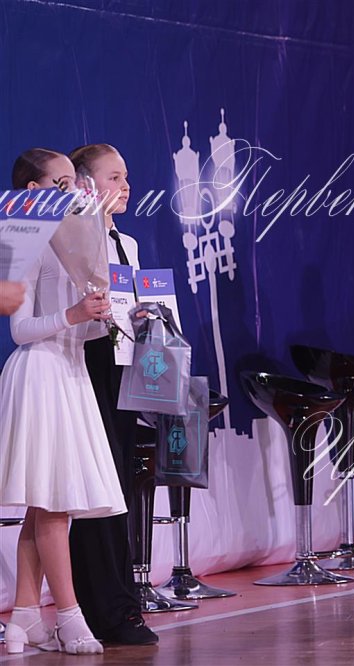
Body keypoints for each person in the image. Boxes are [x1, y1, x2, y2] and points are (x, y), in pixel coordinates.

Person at [0, 149, 123, 655]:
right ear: (33, 191)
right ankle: (70, 616)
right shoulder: (21, 242)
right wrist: (72, 315)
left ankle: (24, 617)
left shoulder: (75, 240)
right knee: (54, 505)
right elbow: (20, 329)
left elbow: (78, 328)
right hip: (40, 375)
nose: (73, 191)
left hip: (71, 375)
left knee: (43, 507)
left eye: (76, 183)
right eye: (61, 183)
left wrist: (99, 316)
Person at [66, 143, 157, 644]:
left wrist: (144, 316)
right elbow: (70, 316)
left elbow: (128, 304)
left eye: (126, 177)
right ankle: (101, 607)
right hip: (84, 367)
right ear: (85, 184)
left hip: (123, 366)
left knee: (118, 484)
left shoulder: (128, 243)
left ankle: (123, 597)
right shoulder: (71, 241)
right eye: (114, 177)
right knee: (93, 489)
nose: (125, 187)